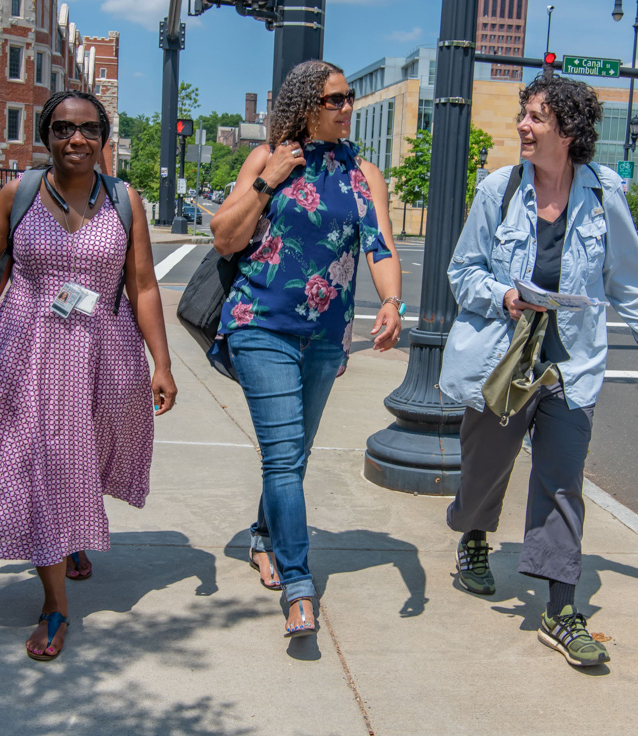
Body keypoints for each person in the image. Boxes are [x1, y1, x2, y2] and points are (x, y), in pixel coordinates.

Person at [0, 90, 177, 662]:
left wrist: (163, 362)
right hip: (27, 354)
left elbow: (145, 286)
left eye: (86, 129)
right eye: (61, 129)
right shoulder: (20, 194)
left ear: (103, 137)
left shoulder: (124, 201)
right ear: (46, 136)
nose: (74, 139)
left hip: (104, 356)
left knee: (83, 458)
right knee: (44, 462)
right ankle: (55, 604)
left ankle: (72, 539)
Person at [439, 73, 638, 667]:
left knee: (561, 482)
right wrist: (503, 295)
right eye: (524, 114)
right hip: (506, 357)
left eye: (536, 117)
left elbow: (626, 276)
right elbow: (462, 272)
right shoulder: (498, 190)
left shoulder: (603, 195)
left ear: (568, 130)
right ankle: (473, 534)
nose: (523, 126)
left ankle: (559, 606)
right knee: (485, 467)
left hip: (570, 365)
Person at [209, 60, 404, 638]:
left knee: (293, 455)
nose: (347, 108)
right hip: (260, 322)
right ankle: (299, 586)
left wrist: (391, 303)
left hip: (325, 335)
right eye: (335, 100)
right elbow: (225, 236)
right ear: (305, 106)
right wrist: (269, 177)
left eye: (349, 99)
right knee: (283, 454)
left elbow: (381, 246)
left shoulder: (362, 174)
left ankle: (264, 537)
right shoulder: (268, 156)